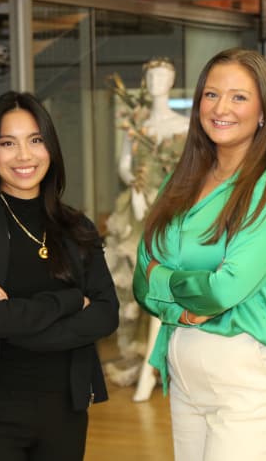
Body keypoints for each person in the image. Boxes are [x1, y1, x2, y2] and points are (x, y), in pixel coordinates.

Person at [132, 48, 266, 461]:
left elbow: (222, 290)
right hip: (186, 372)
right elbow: (142, 278)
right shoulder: (185, 177)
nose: (221, 108)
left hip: (251, 375)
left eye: (239, 97)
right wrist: (182, 310)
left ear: (263, 110)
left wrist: (168, 285)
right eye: (211, 95)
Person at [0, 91, 119, 461]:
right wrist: (69, 301)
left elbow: (106, 313)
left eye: (35, 140)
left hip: (66, 409)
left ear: (50, 148)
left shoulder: (76, 226)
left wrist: (17, 320)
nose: (24, 155)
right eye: (8, 143)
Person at [104, 57, 188, 401]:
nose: (156, 82)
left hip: (170, 209)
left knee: (168, 285)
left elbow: (191, 169)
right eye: (151, 76)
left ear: (172, 81)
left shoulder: (184, 124)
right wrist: (136, 187)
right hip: (137, 209)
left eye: (162, 76)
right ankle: (145, 361)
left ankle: (168, 361)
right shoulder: (135, 124)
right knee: (136, 288)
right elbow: (124, 165)